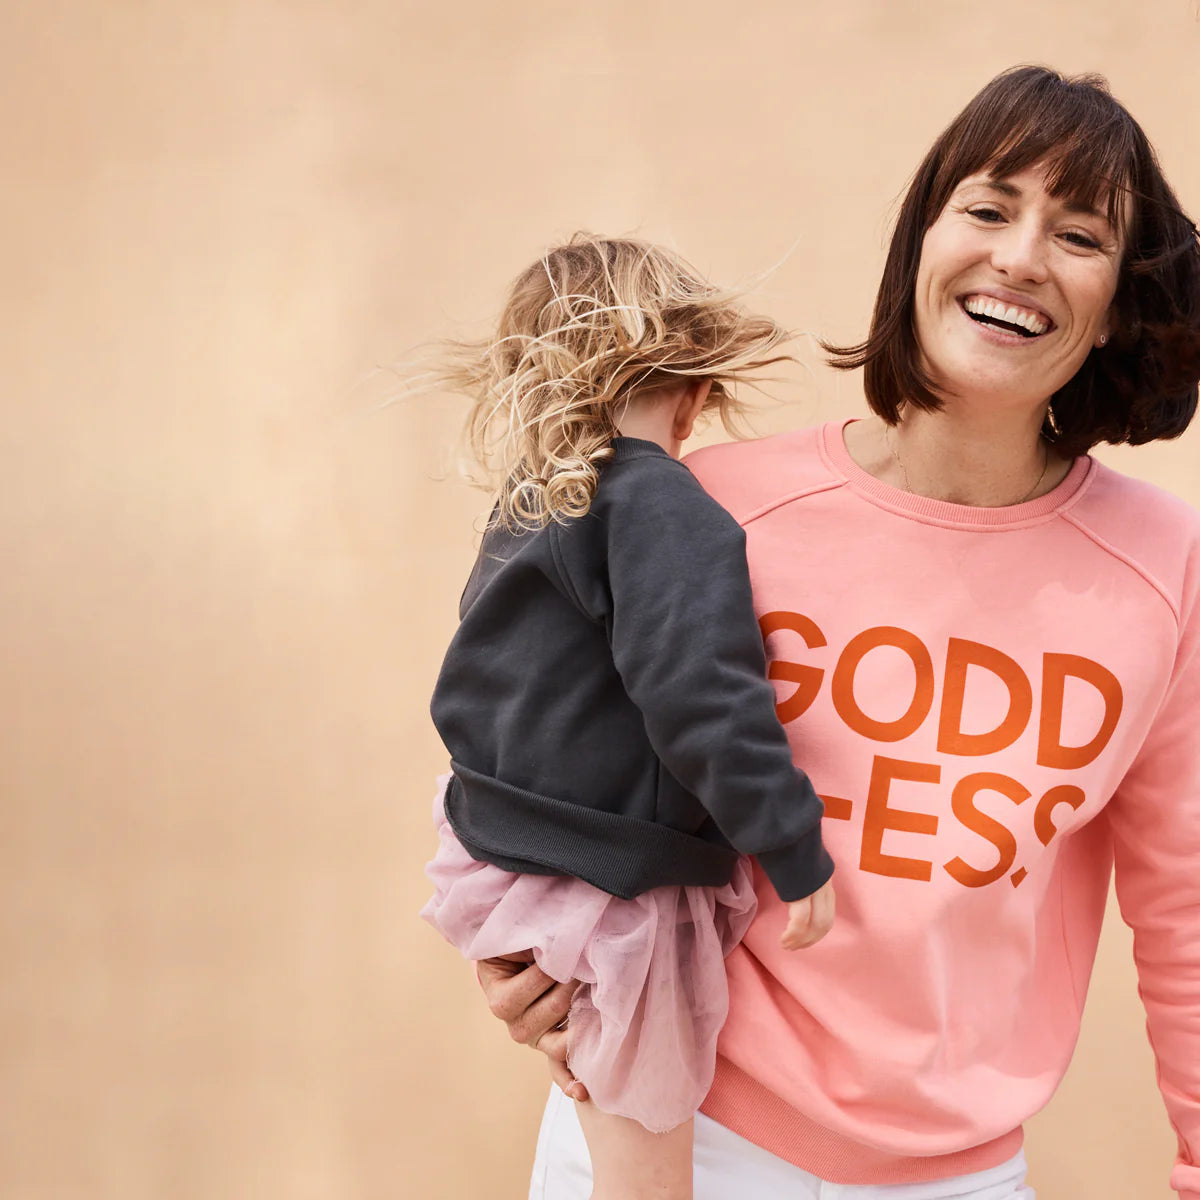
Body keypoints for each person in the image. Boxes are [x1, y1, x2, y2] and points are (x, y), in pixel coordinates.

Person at [477, 66, 1200, 1200]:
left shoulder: (1166, 569)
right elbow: (541, 720)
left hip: (956, 1178)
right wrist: (522, 939)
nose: (1020, 258)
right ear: (922, 240)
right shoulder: (715, 503)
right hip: (678, 1133)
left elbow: (1189, 910)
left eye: (1079, 234)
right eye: (990, 206)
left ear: (1117, 305)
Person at [420, 233, 837, 1200]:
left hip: (499, 848)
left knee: (599, 1095)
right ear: (686, 386)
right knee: (646, 1157)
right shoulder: (660, 503)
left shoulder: (534, 505)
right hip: (615, 878)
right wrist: (788, 838)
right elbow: (701, 689)